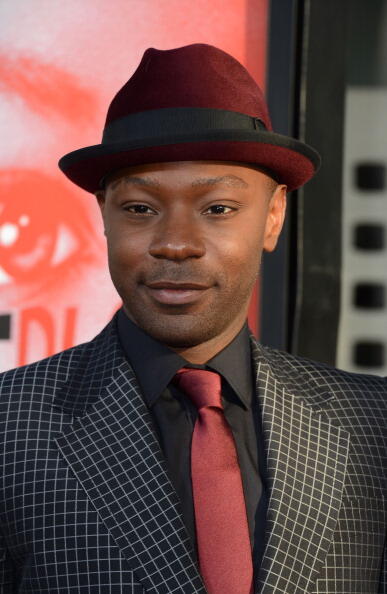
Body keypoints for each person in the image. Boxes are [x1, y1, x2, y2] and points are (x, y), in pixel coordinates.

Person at [0, 43, 385, 594]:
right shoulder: (11, 428)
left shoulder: (374, 425)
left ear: (273, 216)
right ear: (103, 217)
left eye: (218, 209)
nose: (176, 244)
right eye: (140, 209)